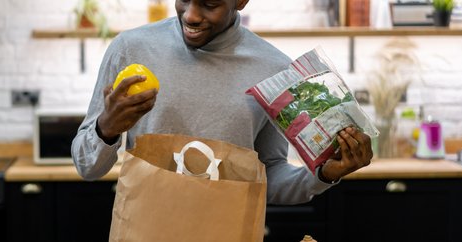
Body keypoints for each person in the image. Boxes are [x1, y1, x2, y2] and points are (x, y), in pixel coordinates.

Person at [71, 0, 373, 204]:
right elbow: (87, 167)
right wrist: (105, 129)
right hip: (144, 228)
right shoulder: (131, 48)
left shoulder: (275, 70)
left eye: (210, 3)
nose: (190, 14)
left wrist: (323, 175)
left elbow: (267, 175)